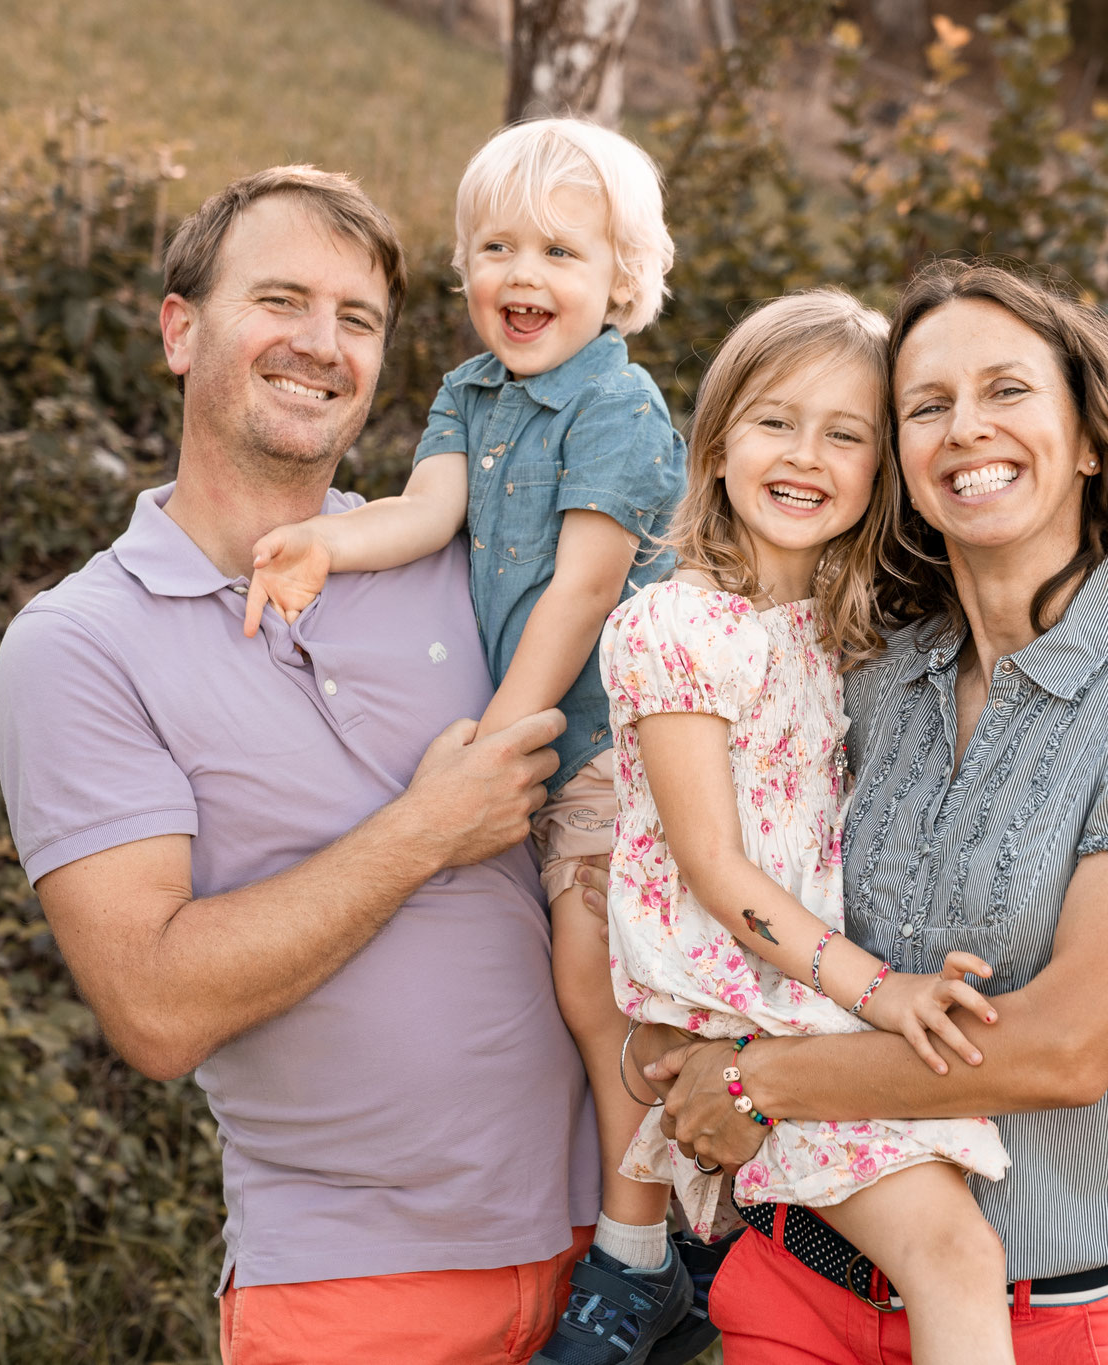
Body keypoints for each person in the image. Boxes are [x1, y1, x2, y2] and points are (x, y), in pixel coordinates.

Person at [0, 165, 599, 1365]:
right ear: (180, 329)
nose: (321, 346)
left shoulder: (458, 558)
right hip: (354, 1289)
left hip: (613, 1262)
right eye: (281, 301)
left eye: (358, 320)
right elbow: (155, 1009)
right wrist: (430, 827)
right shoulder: (77, 646)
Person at [639, 260, 1108, 1365]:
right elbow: (704, 868)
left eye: (1006, 391)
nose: (964, 429)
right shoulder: (860, 673)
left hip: (1043, 1324)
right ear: (904, 463)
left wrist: (752, 1078)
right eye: (926, 406)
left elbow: (1065, 1049)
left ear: (1087, 437)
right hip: (794, 1292)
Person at [241, 120, 697, 1362]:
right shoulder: (469, 391)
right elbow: (428, 506)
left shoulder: (618, 404)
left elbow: (583, 590)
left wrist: (504, 737)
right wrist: (327, 542)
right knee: (574, 982)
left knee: (587, 974)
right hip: (545, 744)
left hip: (619, 740)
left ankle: (638, 1254)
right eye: (494, 246)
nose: (520, 274)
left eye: (558, 248)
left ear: (621, 275)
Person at [599, 289, 1016, 1365]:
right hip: (752, 1015)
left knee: (934, 1262)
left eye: (845, 435)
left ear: (879, 473)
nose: (804, 455)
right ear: (719, 438)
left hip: (799, 1004)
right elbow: (713, 865)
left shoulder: (826, 638)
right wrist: (881, 991)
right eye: (775, 421)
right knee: (954, 1258)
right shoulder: (676, 628)